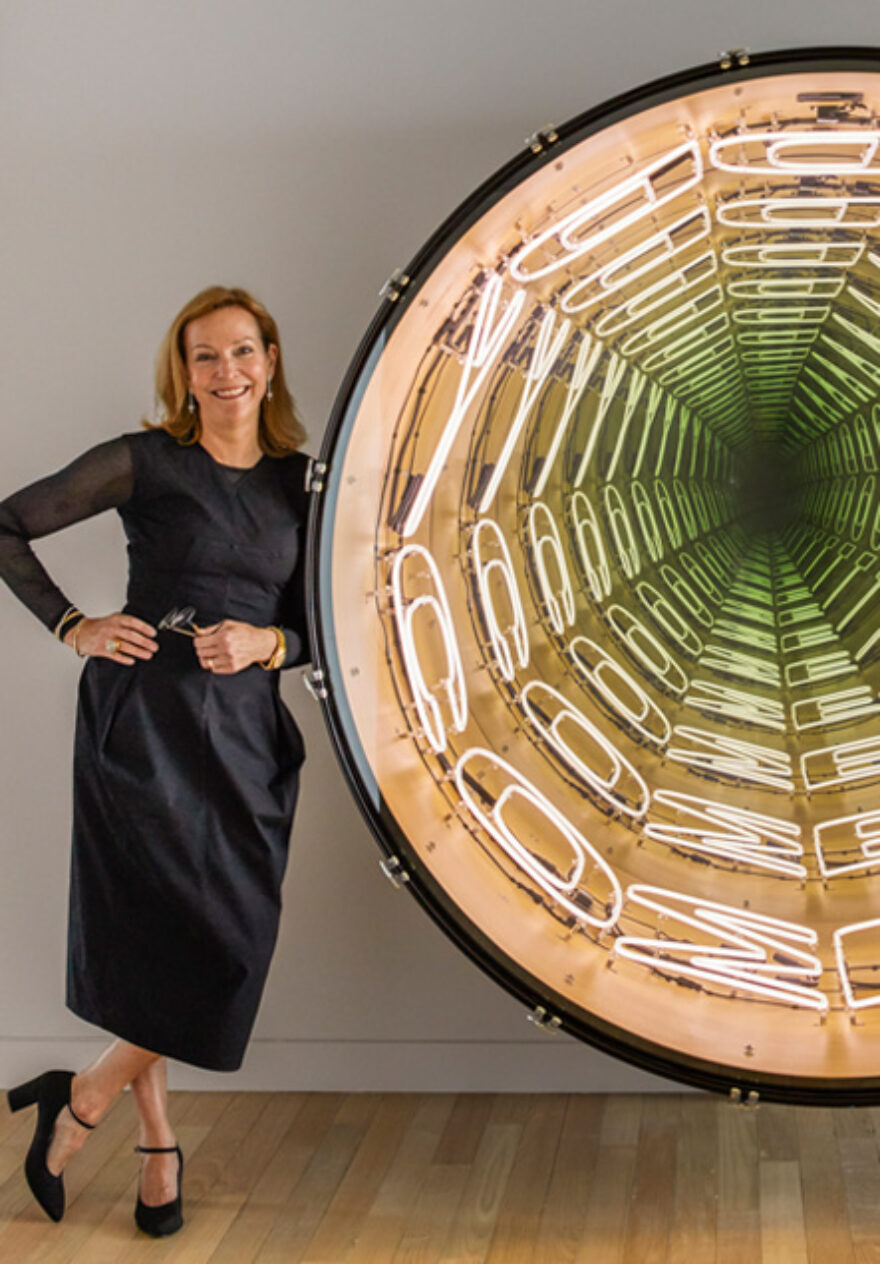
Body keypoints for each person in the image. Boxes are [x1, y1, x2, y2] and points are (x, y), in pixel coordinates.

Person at [0, 285, 311, 1236]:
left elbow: (324, 623)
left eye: (243, 351)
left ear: (270, 361)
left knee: (226, 940)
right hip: (146, 724)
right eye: (205, 356)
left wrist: (267, 648)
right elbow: (6, 524)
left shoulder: (301, 481)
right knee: (160, 938)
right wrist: (74, 625)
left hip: (248, 732)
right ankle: (159, 1152)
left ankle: (82, 1097)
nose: (227, 373)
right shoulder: (146, 462)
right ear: (182, 371)